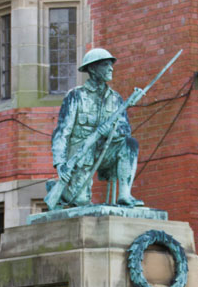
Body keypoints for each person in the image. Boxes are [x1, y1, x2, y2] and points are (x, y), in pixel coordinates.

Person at [50, 48, 144, 207]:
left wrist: (112, 132)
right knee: (80, 201)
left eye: (111, 65)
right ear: (92, 69)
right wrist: (60, 163)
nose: (111, 68)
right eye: (105, 65)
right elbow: (62, 132)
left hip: (105, 151)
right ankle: (59, 189)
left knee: (130, 143)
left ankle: (125, 194)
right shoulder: (76, 96)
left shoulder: (115, 98)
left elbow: (125, 129)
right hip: (82, 154)